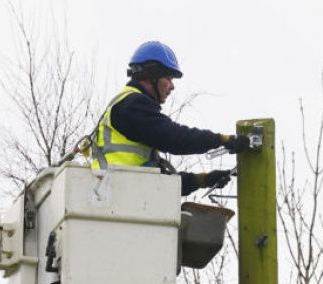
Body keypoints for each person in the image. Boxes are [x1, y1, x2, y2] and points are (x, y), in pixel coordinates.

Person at [86, 41, 250, 196]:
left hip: (123, 195)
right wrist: (220, 140)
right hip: (117, 196)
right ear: (152, 75)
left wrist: (202, 180)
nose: (172, 86)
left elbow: (159, 182)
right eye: (169, 78)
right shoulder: (131, 106)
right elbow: (175, 139)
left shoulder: (130, 107)